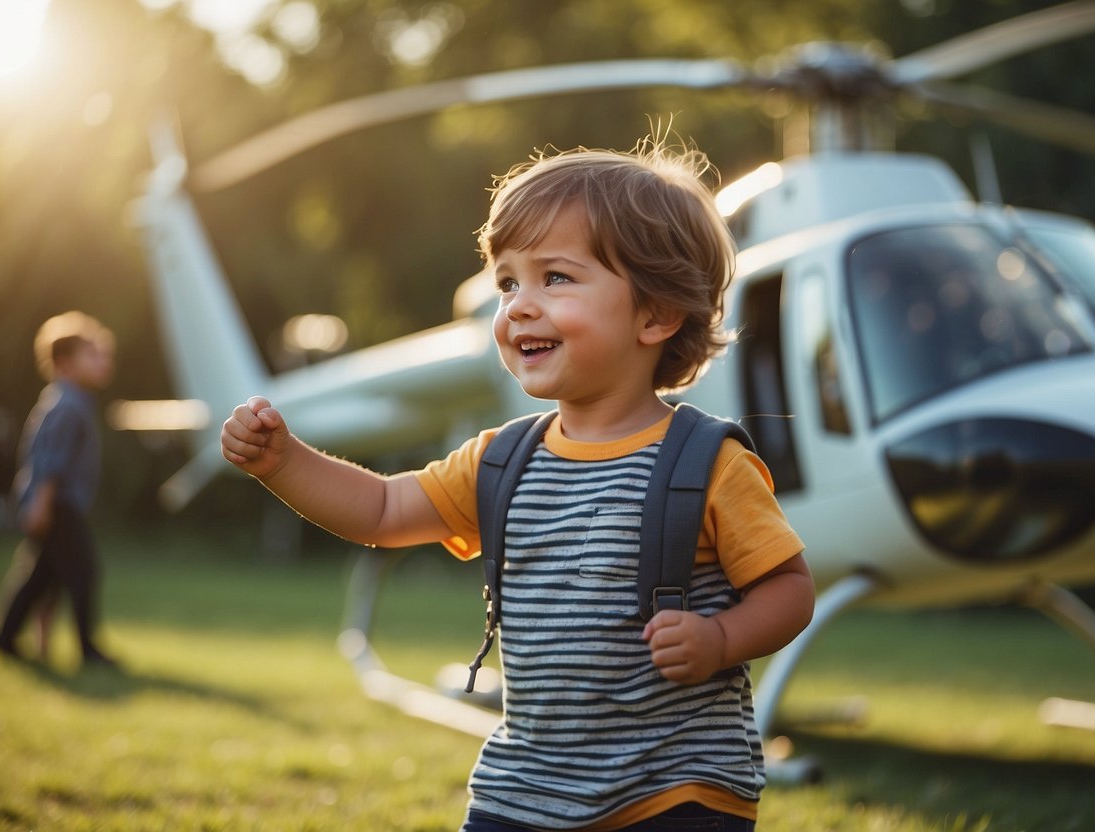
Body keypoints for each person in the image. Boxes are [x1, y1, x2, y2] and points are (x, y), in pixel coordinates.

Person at [220, 138, 815, 831]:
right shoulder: (501, 461)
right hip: (528, 785)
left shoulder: (706, 463)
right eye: (507, 282)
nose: (518, 307)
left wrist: (717, 639)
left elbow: (788, 590)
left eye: (555, 278)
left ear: (654, 314)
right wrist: (284, 463)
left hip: (674, 786)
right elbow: (382, 510)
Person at [0, 311, 118, 668]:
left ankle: (5, 637)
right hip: (56, 504)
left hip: (55, 503)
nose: (103, 362)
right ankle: (88, 650)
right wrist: (41, 504)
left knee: (41, 574)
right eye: (92, 355)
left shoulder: (70, 401)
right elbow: (49, 461)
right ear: (63, 363)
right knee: (84, 571)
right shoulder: (68, 405)